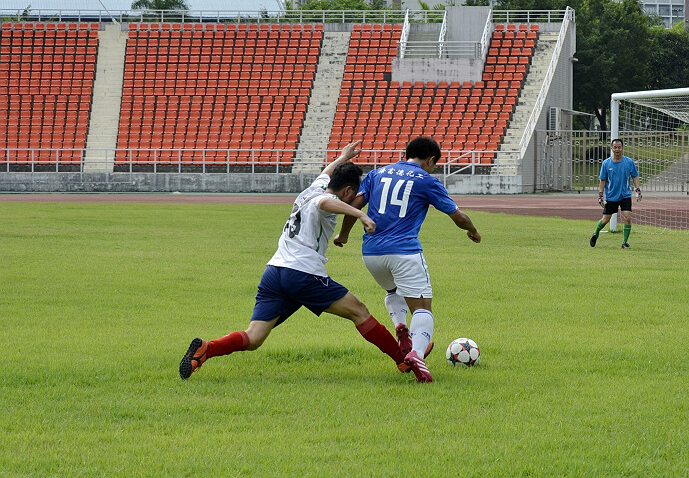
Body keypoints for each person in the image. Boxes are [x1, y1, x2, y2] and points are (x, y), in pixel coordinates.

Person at [179, 141, 410, 380]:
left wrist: (342, 157)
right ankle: (404, 361)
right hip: (302, 273)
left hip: (275, 271)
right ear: (348, 191)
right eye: (352, 196)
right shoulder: (323, 200)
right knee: (359, 311)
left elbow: (325, 173)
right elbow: (325, 203)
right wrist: (361, 214)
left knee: (254, 337)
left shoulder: (312, 188)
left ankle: (206, 350)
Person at [334, 136, 482, 383]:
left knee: (394, 290)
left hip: (371, 254)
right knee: (423, 307)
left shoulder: (377, 174)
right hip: (404, 252)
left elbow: (357, 204)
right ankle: (416, 354)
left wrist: (344, 234)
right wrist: (473, 230)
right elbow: (457, 215)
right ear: (431, 159)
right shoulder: (427, 180)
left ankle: (401, 326)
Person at [590, 138, 641, 250]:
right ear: (612, 148)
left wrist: (637, 189)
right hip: (611, 197)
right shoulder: (606, 163)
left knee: (627, 217)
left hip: (625, 195)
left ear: (622, 148)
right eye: (615, 147)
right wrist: (600, 195)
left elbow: (635, 176)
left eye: (619, 147)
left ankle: (624, 242)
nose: (617, 149)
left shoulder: (629, 162)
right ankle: (595, 234)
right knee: (605, 220)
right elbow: (602, 180)